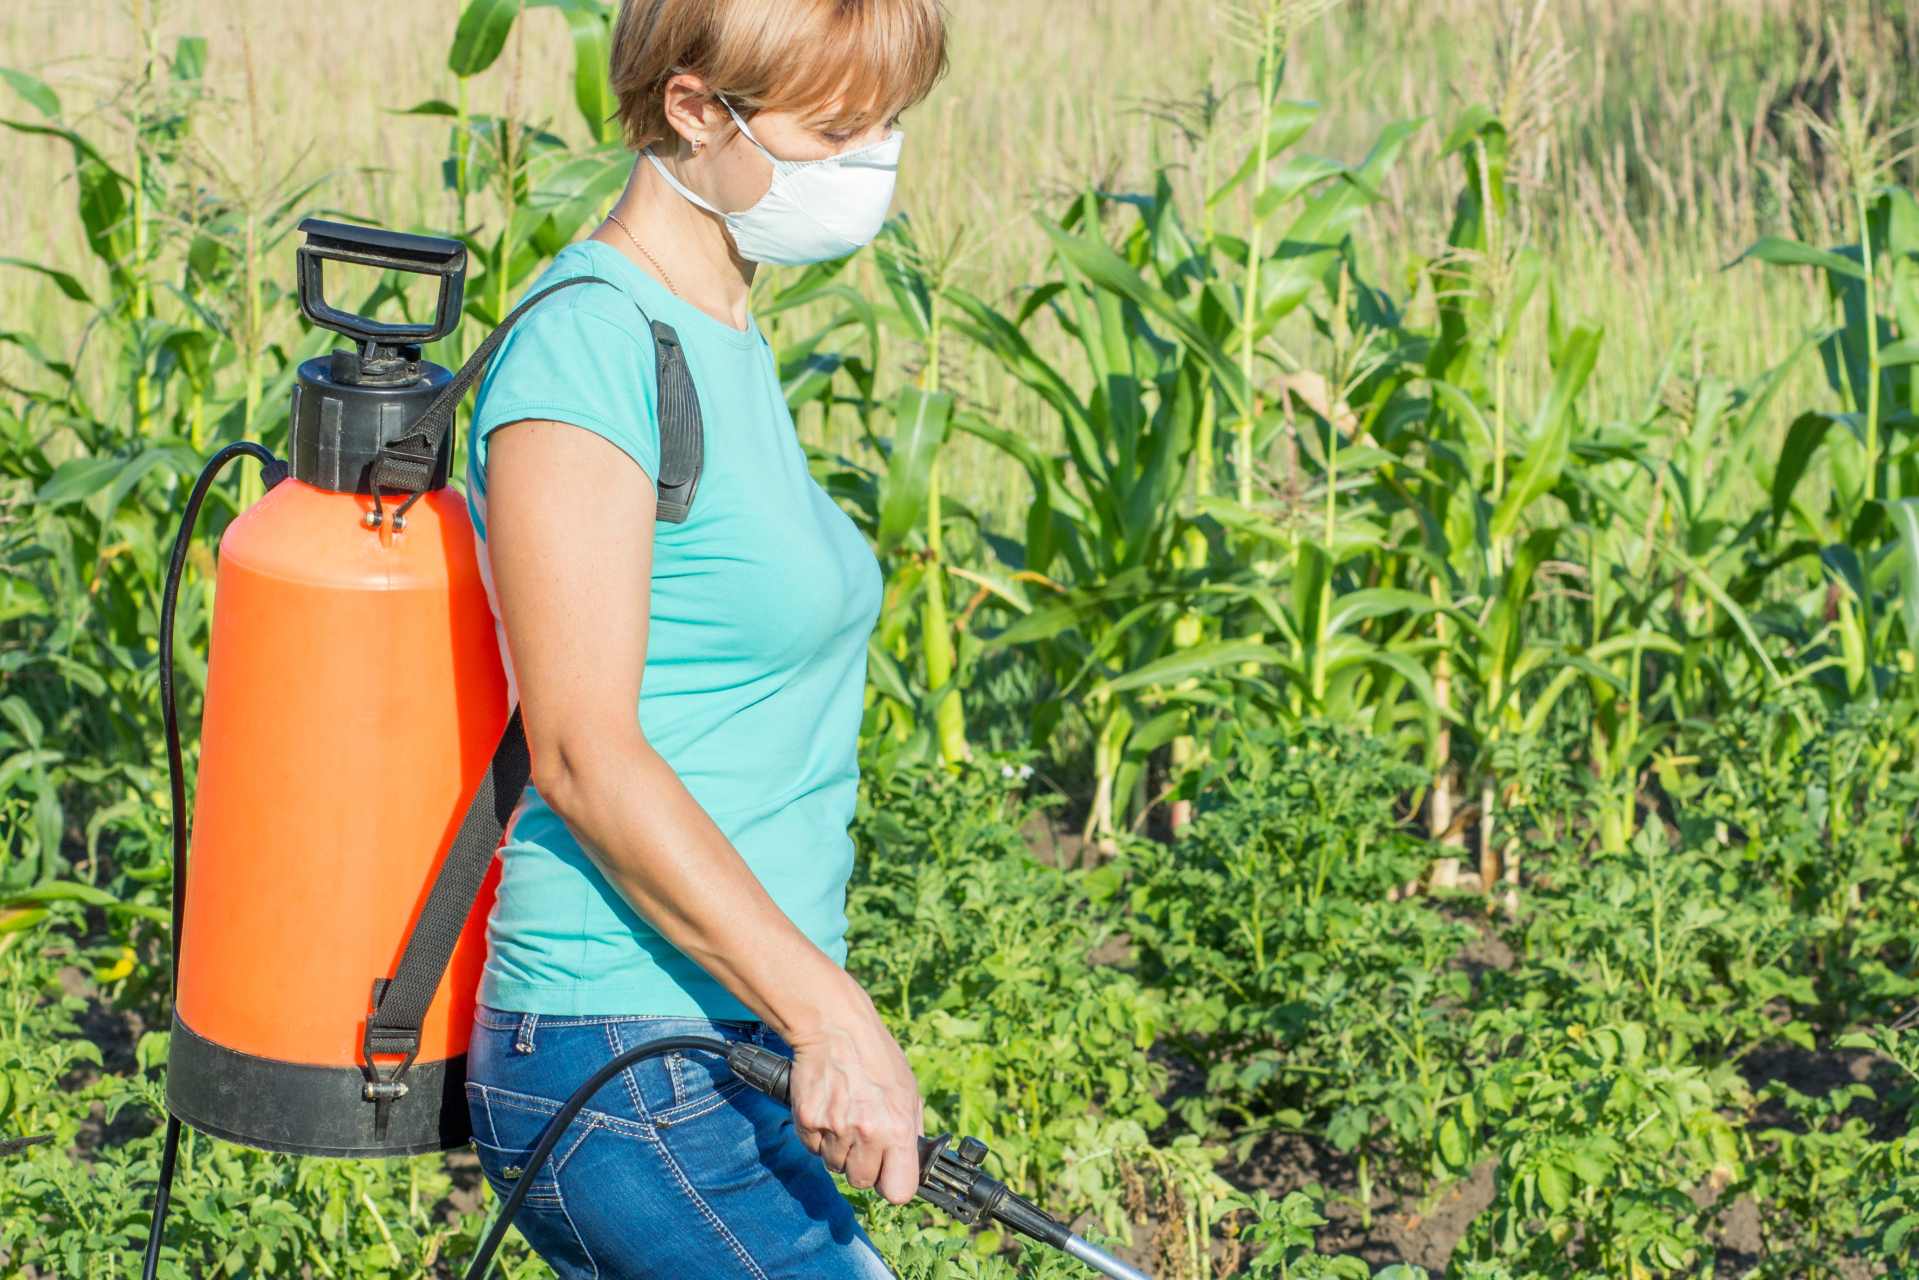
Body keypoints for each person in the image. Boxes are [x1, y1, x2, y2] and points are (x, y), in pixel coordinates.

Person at [458, 2, 949, 1276]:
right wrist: (829, 1012)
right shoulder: (588, 346)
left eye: (888, 120)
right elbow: (581, 753)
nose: (874, 159)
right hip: (618, 1050)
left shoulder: (718, 323)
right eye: (838, 129)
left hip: (719, 1041)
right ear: (692, 110)